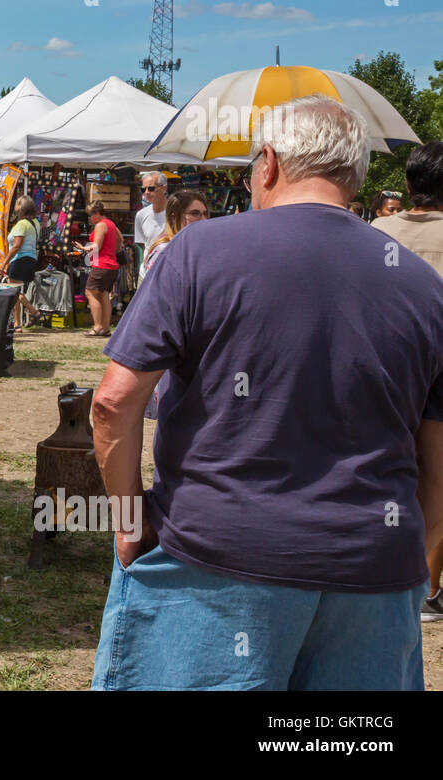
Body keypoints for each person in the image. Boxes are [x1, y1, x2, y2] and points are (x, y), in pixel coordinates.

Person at [90, 95, 443, 690]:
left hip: (216, 564)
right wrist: (416, 555)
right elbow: (438, 462)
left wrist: (127, 522)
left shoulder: (198, 253)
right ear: (353, 176)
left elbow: (112, 404)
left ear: (269, 166)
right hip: (375, 578)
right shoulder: (423, 286)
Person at [371, 142, 443, 619]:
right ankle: (426, 584)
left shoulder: (378, 231)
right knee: (437, 478)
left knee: (392, 471)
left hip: (386, 368)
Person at [138, 189, 208, 279]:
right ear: (174, 217)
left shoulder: (198, 246)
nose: (203, 219)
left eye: (205, 214)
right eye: (195, 213)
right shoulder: (164, 252)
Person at [74, 200, 119, 338]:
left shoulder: (100, 225)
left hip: (101, 265)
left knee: (90, 293)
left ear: (97, 214)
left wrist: (83, 248)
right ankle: (105, 328)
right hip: (111, 265)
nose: (89, 218)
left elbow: (96, 246)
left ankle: (98, 326)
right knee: (104, 295)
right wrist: (113, 253)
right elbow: (120, 240)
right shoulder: (111, 224)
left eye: (90, 215)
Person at [1, 195, 44, 329]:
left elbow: (16, 246)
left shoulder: (21, 224)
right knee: (17, 290)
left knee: (14, 290)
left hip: (19, 259)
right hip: (30, 259)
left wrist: (4, 263)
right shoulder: (35, 223)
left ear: (20, 208)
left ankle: (34, 312)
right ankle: (17, 323)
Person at [132, 171, 168, 266]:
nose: (147, 192)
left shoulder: (178, 213)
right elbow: (141, 245)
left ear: (164, 188)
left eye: (151, 188)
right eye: (143, 189)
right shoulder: (141, 215)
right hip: (146, 273)